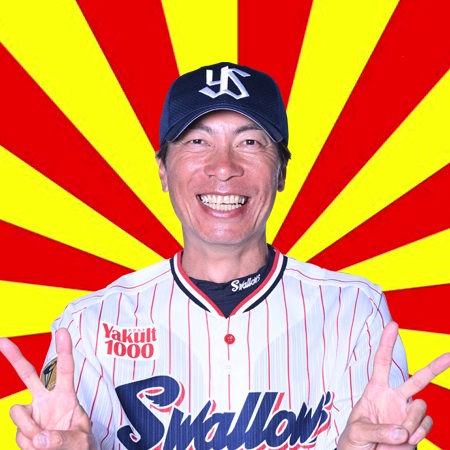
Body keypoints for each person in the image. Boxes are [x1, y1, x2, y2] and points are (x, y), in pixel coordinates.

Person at [1, 62, 449, 450]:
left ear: (281, 172)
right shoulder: (88, 324)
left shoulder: (354, 311)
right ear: (162, 169)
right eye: (197, 141)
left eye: (250, 142)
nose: (223, 167)